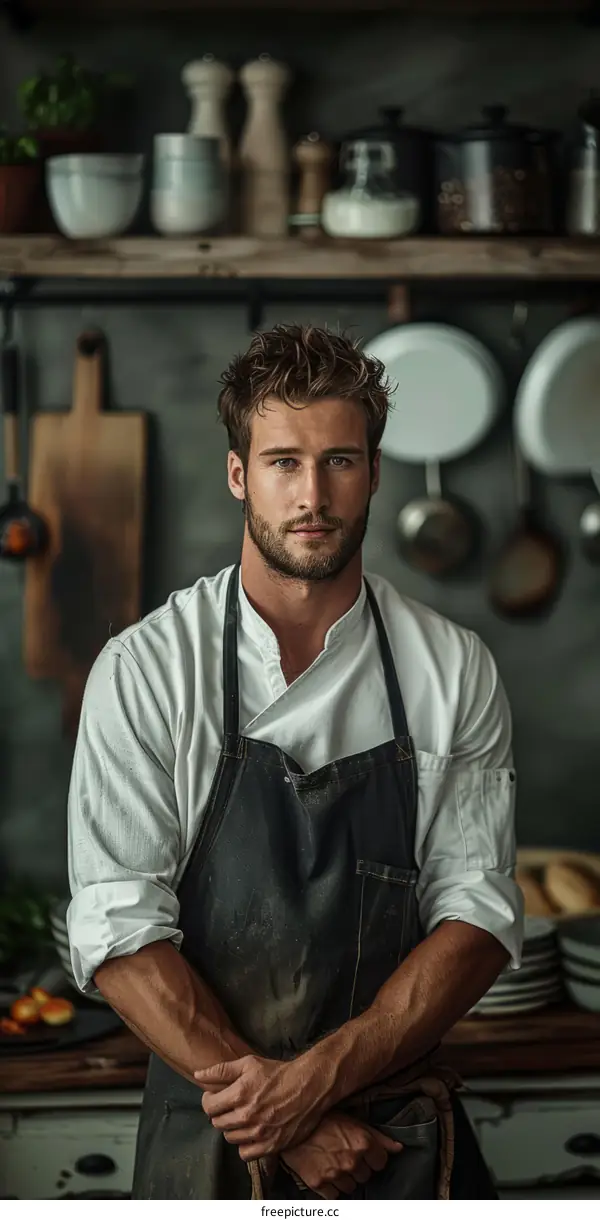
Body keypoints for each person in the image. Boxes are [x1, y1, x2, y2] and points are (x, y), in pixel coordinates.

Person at [67, 323, 523, 1201]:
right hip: (212, 1133)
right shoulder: (148, 669)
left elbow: (475, 913)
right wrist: (286, 1118)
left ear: (376, 472)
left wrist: (317, 1081)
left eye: (340, 461)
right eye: (283, 461)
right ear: (240, 474)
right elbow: (119, 931)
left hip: (390, 1141)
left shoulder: (451, 666)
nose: (312, 494)